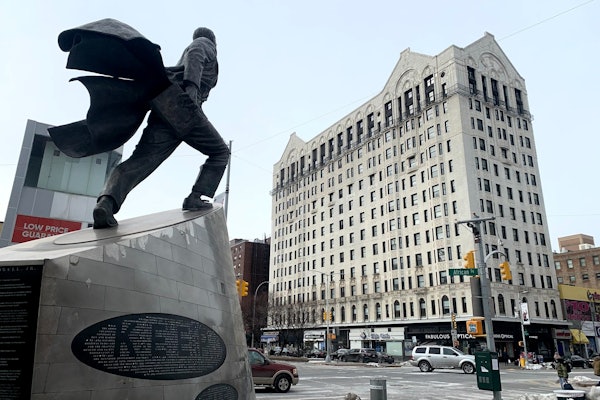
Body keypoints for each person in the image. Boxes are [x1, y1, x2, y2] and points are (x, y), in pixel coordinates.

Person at [93, 27, 230, 228]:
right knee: (220, 152)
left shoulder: (187, 54)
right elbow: (196, 54)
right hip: (185, 107)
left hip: (166, 108)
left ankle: (106, 202)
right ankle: (195, 197)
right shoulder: (204, 43)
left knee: (140, 161)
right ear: (213, 40)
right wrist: (192, 87)